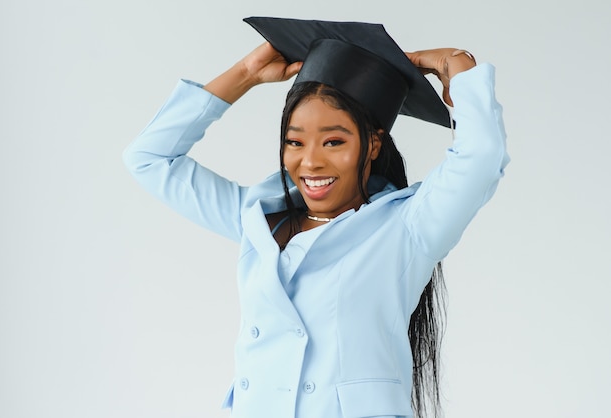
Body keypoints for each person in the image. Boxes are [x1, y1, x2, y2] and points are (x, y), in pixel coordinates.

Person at [123, 17, 509, 418]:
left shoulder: (408, 228)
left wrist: (459, 67)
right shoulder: (258, 218)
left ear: (373, 143)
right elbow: (149, 158)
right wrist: (246, 73)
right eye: (294, 141)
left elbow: (481, 157)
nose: (310, 161)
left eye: (334, 141)